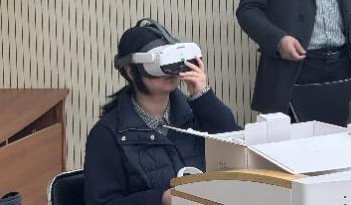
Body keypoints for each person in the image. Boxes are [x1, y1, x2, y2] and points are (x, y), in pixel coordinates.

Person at [84, 19, 237, 205]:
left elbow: (236, 147)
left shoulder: (197, 112)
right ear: (131, 71)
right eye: (159, 63)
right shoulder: (107, 134)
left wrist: (203, 96)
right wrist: (162, 199)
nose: (169, 71)